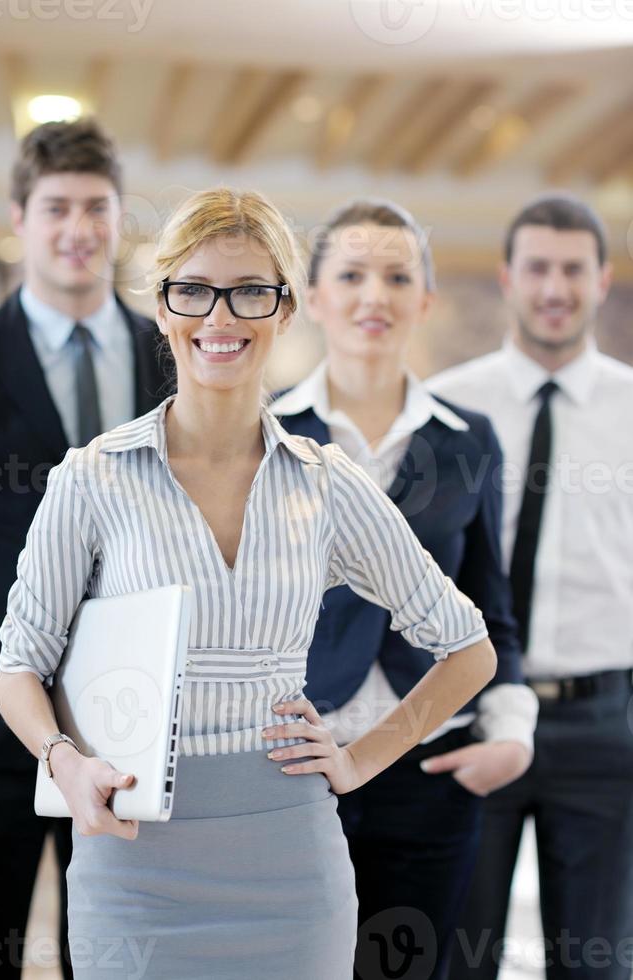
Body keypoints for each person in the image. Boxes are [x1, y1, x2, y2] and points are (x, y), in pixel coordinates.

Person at [0, 186, 497, 979]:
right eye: (192, 290)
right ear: (161, 308)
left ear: (286, 310)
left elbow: (468, 647)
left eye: (249, 292)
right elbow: (18, 663)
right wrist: (63, 761)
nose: (219, 318)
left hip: (290, 865)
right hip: (133, 866)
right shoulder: (91, 478)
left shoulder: (326, 483)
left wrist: (361, 759)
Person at [271, 198, 538, 980]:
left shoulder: (468, 439)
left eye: (397, 276)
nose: (374, 296)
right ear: (312, 299)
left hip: (431, 768)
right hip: (300, 767)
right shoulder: (267, 436)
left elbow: (492, 606)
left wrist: (511, 732)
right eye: (350, 275)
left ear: (425, 300)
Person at [428, 193, 633, 980]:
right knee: (462, 955)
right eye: (538, 268)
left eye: (573, 269)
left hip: (602, 726)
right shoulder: (451, 406)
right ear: (509, 278)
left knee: (598, 963)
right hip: (473, 712)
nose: (555, 287)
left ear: (602, 280)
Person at [0, 118, 164, 979]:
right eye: (56, 207)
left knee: (123, 959)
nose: (78, 228)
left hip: (138, 721)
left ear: (120, 217)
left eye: (97, 207)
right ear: (19, 218)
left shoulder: (173, 357)